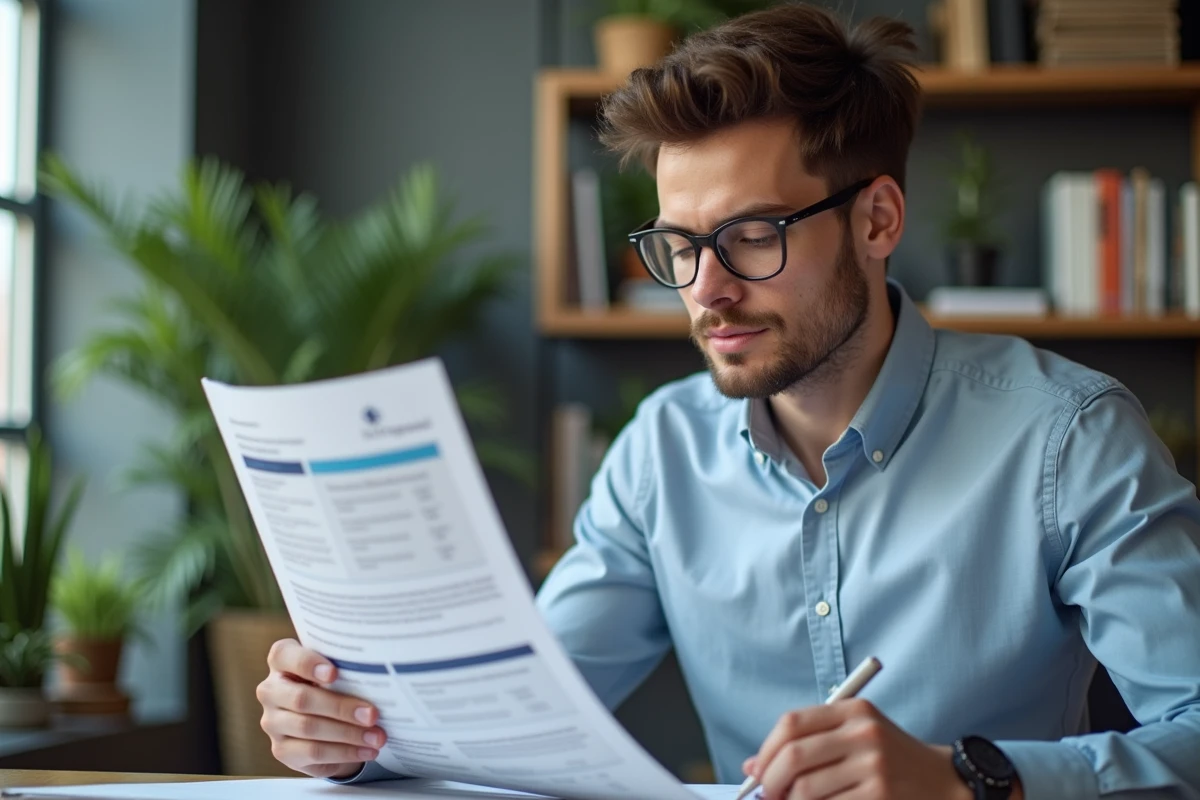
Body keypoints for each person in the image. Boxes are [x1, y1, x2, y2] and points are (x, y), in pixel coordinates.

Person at [254, 3, 1200, 798]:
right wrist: (354, 733)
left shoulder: (1068, 438)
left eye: (752, 236)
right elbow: (519, 716)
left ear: (877, 220)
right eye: (678, 245)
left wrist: (967, 779)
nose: (706, 289)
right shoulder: (659, 451)